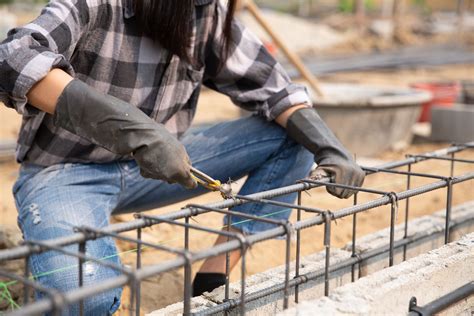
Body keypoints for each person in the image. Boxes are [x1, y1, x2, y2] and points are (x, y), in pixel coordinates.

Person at [0, 0, 365, 314]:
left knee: (293, 137)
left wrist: (328, 144)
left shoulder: (205, 12)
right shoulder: (96, 4)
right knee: (84, 297)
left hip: (162, 165)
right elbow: (15, 58)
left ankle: (211, 279)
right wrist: (132, 131)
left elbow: (275, 89)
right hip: (67, 171)